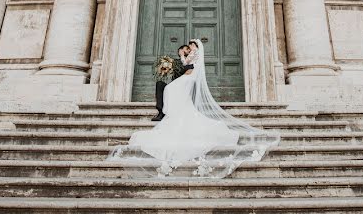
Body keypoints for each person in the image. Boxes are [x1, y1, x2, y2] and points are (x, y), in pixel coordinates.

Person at [109, 38, 280, 179]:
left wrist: (183, 56)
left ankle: (169, 111)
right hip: (187, 77)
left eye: (191, 45)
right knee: (170, 89)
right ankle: (171, 111)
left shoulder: (195, 54)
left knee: (170, 88)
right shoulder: (192, 54)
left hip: (188, 78)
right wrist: (181, 56)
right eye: (189, 46)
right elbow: (185, 63)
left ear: (196, 46)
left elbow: (188, 66)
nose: (189, 47)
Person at [152, 45, 189, 121]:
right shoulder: (174, 62)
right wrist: (164, 69)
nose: (188, 50)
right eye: (186, 49)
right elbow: (167, 72)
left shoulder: (191, 62)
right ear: (180, 51)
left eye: (188, 49)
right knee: (159, 83)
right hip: (173, 85)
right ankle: (161, 112)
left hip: (183, 87)